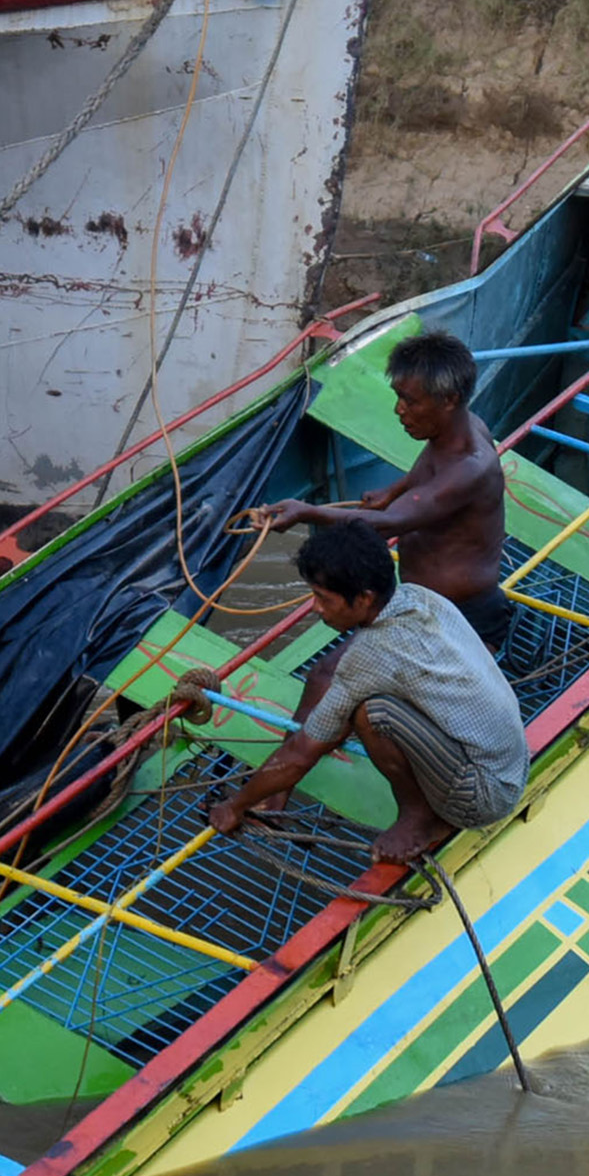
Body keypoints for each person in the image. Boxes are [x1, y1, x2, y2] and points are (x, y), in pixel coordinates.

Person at [179, 521, 527, 867]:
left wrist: (235, 806)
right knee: (365, 705)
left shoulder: (369, 656)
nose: (316, 609)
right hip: (511, 764)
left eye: (323, 598)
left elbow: (301, 753)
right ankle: (422, 804)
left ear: (364, 598)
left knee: (369, 713)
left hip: (483, 797)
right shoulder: (421, 597)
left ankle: (417, 818)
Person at [243, 328, 513, 657]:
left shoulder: (471, 468)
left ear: (449, 400)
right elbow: (428, 468)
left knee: (328, 677)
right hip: (420, 601)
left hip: (461, 616)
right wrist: (392, 489)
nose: (399, 410)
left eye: (410, 401)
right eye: (399, 396)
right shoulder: (461, 427)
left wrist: (306, 512)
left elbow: (388, 524)